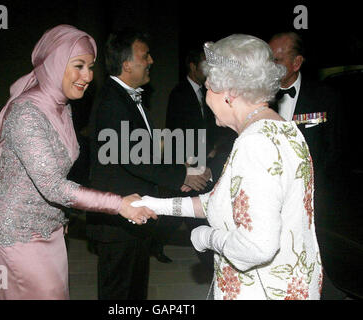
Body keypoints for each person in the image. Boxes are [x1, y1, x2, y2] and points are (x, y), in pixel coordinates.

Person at [133, 34, 323, 300]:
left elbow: (258, 247)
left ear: (230, 93)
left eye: (209, 87)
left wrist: (207, 237)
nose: (207, 95)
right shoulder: (283, 128)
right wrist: (152, 204)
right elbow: (221, 202)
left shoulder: (255, 143)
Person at [0, 25, 156, 300]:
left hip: (50, 229)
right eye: (79, 66)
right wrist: (119, 204)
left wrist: (58, 217)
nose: (87, 76)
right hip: (14, 232)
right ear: (55, 62)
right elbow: (52, 185)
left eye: (90, 66)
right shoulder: (27, 112)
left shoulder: (63, 107)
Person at [86, 28, 210, 300]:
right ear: (127, 63)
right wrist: (183, 176)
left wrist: (186, 161)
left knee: (134, 291)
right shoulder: (112, 102)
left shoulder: (127, 97)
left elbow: (146, 147)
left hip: (135, 214)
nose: (151, 60)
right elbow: (131, 157)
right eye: (145, 55)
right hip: (118, 219)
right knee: (119, 294)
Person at [268, 32, 345, 299]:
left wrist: (312, 192)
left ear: (296, 63)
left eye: (276, 60)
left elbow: (334, 152)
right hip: (269, 197)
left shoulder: (326, 97)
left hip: (310, 201)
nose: (269, 66)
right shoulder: (258, 95)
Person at [153, 48, 236, 266]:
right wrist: (184, 165)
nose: (208, 69)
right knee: (184, 210)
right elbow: (174, 131)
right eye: (204, 64)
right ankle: (206, 257)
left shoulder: (210, 91)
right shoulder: (179, 93)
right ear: (192, 66)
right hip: (188, 162)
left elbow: (212, 127)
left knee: (187, 208)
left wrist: (215, 149)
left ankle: (158, 242)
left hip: (206, 160)